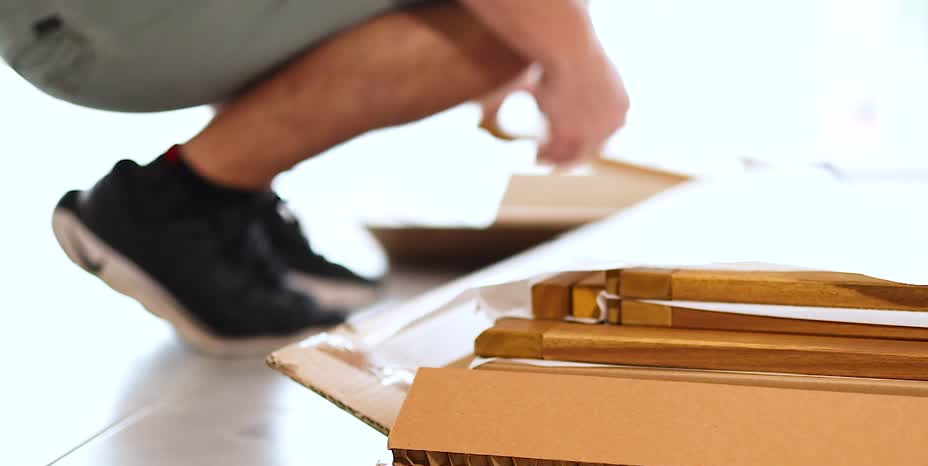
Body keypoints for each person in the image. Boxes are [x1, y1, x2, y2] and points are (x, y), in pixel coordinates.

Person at [0, 1, 629, 354]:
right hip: (89, 24)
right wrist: (576, 63)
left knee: (521, 18)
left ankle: (229, 197)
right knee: (507, 27)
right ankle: (176, 202)